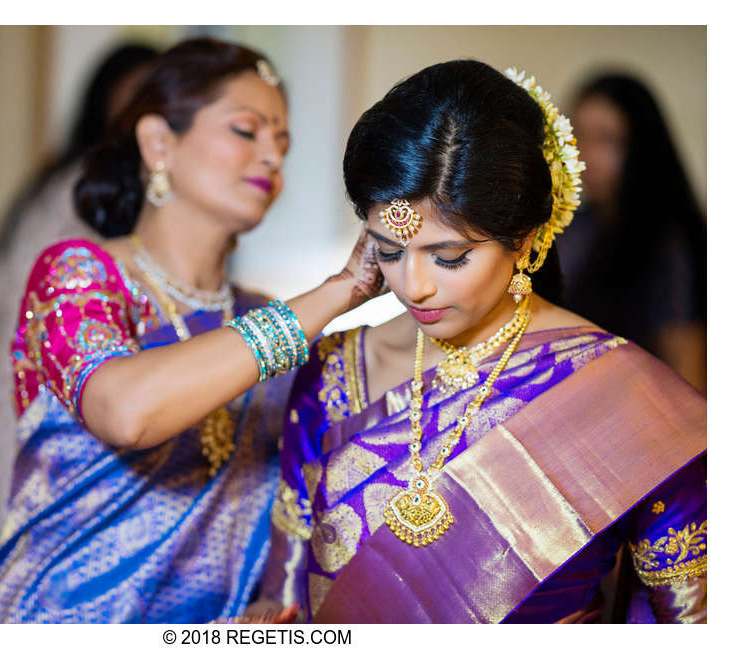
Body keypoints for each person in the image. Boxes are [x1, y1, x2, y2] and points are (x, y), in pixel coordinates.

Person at [254, 60, 705, 623]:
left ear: (524, 240)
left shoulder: (626, 399)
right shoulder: (335, 371)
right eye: (388, 252)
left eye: (449, 257)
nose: (413, 286)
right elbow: (286, 597)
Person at [0, 37, 385, 623]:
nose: (271, 156)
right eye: (246, 131)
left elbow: (314, 485)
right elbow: (126, 411)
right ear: (158, 142)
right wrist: (340, 291)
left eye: (282, 143)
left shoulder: (260, 315)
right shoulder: (81, 276)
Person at [0, 43, 158, 623]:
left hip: (25, 388)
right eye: (133, 101)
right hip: (20, 395)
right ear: (103, 105)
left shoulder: (82, 184)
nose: (145, 122)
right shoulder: (88, 190)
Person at [562, 73, 706, 392]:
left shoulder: (670, 243)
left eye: (606, 139)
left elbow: (690, 379)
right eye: (577, 137)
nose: (585, 154)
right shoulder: (574, 227)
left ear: (640, 145)